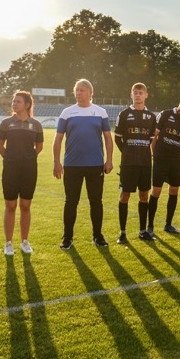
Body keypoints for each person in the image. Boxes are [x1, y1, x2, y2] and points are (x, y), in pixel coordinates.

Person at [53, 79, 114, 248]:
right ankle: (67, 238)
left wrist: (109, 160)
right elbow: (57, 139)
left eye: (82, 90)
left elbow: (108, 138)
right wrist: (56, 162)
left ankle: (97, 235)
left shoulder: (100, 112)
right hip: (72, 165)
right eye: (77, 90)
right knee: (71, 201)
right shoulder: (67, 112)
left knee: (96, 201)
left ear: (90, 93)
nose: (79, 93)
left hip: (95, 165)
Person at [0, 91, 43, 256]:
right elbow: (0, 145)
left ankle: (24, 241)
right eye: (13, 101)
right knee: (10, 205)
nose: (14, 104)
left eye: (18, 101)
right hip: (10, 169)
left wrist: (28, 159)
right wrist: (11, 159)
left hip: (29, 169)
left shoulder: (36, 124)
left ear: (27, 105)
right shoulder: (6, 123)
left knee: (25, 205)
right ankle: (8, 243)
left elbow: (39, 146)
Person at [114, 83, 157, 242]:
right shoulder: (124, 114)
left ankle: (142, 231)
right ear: (131, 95)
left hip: (145, 162)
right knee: (125, 195)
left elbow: (152, 139)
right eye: (135, 93)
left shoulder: (151, 117)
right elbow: (118, 138)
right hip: (128, 163)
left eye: (141, 93)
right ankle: (122, 232)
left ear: (146, 95)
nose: (138, 95)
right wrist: (127, 152)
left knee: (144, 195)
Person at [150, 97, 180, 233]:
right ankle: (150, 226)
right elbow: (154, 136)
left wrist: (174, 151)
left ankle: (168, 224)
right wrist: (154, 154)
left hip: (175, 160)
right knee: (156, 191)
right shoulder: (165, 114)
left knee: (174, 190)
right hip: (160, 158)